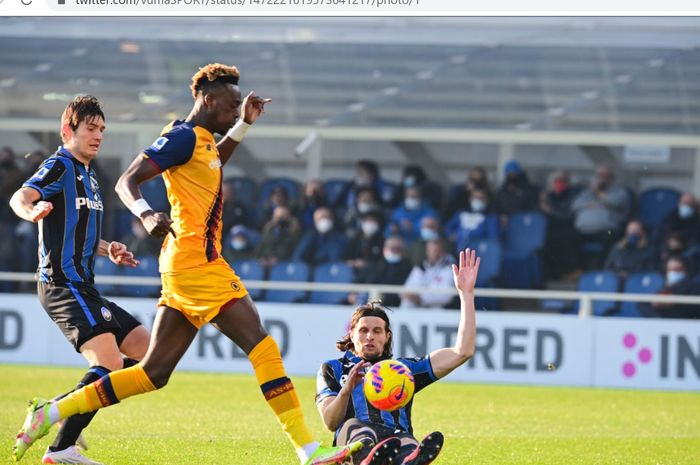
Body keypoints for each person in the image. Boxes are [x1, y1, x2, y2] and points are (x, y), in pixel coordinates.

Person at [13, 64, 362, 465]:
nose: (235, 111)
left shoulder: (202, 143)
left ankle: (52, 412)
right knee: (262, 347)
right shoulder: (180, 137)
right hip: (198, 263)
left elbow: (216, 159)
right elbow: (128, 180)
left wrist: (244, 125)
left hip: (185, 265)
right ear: (209, 100)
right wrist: (145, 214)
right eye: (231, 105)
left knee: (152, 372)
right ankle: (307, 449)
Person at [10, 95, 150, 465]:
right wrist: (32, 209)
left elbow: (78, 232)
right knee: (109, 362)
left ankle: (59, 412)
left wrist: (108, 250)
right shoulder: (58, 165)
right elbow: (19, 197)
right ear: (67, 131)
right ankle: (61, 449)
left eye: (102, 129)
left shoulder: (90, 176)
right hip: (60, 283)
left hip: (84, 285)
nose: (98, 135)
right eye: (90, 128)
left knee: (148, 355)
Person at [316, 248, 480, 465]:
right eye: (363, 330)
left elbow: (462, 351)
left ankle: (408, 460)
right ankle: (369, 459)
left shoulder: (402, 370)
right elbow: (330, 422)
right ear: (352, 335)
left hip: (394, 438)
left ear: (387, 336)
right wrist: (346, 390)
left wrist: (466, 295)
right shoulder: (332, 368)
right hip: (352, 440)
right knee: (359, 430)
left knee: (405, 441)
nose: (369, 336)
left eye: (377, 331)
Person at [401, 239, 456, 309]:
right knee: (406, 303)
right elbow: (407, 288)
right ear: (427, 251)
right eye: (430, 250)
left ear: (442, 251)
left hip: (437, 307)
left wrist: (422, 299)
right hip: (416, 304)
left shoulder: (448, 269)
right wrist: (411, 296)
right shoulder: (419, 268)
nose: (433, 252)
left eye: (436, 250)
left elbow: (446, 296)